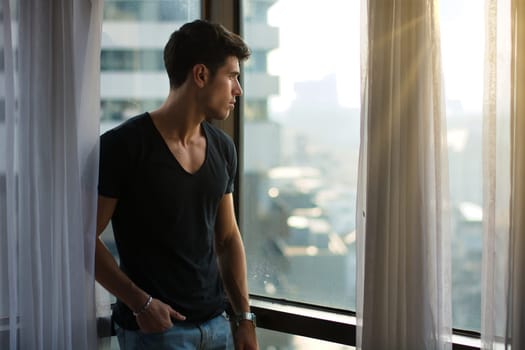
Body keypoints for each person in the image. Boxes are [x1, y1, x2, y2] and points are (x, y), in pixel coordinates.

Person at [95, 19, 258, 350]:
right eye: (232, 76)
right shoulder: (123, 146)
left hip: (217, 327)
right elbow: (81, 239)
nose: (238, 90)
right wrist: (140, 303)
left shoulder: (223, 148)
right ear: (200, 75)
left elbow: (227, 239)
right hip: (155, 332)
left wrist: (244, 318)